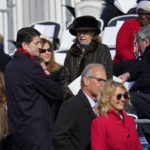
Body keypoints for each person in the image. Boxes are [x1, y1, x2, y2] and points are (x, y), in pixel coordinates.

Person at [5, 27, 63, 150]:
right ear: (24, 45)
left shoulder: (10, 66)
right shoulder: (31, 67)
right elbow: (56, 92)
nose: (40, 47)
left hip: (18, 131)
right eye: (36, 43)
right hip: (36, 133)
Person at [53, 63, 107, 150]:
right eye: (99, 80)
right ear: (86, 81)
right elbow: (59, 138)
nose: (103, 85)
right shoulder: (71, 106)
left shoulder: (105, 106)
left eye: (104, 81)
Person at [61, 15, 112, 99]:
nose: (81, 35)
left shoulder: (102, 50)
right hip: (74, 97)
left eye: (85, 32)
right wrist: (70, 94)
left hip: (96, 96)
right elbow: (65, 77)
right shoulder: (71, 52)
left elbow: (107, 76)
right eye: (79, 32)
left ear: (92, 33)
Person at [91, 80, 142, 150]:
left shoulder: (130, 120)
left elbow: (138, 147)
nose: (123, 99)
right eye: (119, 96)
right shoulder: (99, 123)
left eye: (125, 96)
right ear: (108, 97)